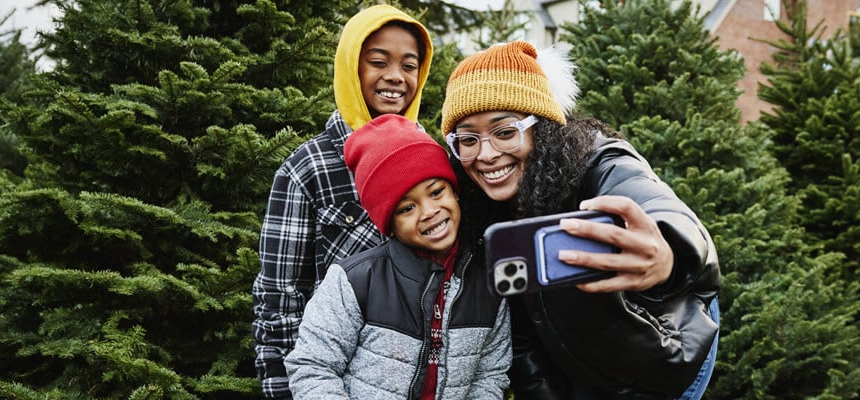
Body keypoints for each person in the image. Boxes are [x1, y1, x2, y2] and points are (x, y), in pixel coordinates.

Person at [440, 41, 722, 399]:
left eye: (505, 132)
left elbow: (658, 208)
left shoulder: (598, 161)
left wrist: (669, 255)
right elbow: (520, 339)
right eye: (467, 139)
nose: (487, 154)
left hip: (666, 356)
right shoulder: (481, 209)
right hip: (588, 378)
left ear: (541, 127)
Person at [251, 5, 433, 398]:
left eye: (409, 65)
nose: (395, 77)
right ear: (351, 67)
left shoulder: (433, 159)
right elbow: (280, 298)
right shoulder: (306, 169)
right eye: (378, 62)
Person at [284, 114, 510, 399]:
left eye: (437, 192)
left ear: (455, 192)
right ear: (388, 224)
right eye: (407, 208)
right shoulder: (354, 281)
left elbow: (490, 373)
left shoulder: (487, 282)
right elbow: (312, 366)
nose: (429, 211)